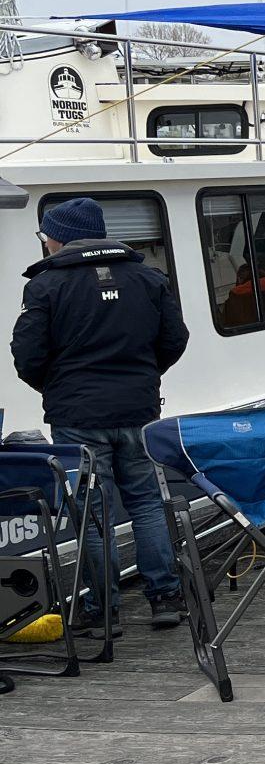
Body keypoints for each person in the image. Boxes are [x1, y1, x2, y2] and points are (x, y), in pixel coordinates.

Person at [11, 196, 190, 631]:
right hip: (138, 410)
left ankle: (102, 612)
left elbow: (27, 356)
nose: (45, 243)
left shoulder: (45, 286)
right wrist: (142, 377)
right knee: (147, 502)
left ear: (61, 237)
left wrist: (60, 388)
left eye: (45, 235)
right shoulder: (148, 276)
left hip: (78, 417)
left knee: (93, 514)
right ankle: (165, 598)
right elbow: (174, 339)